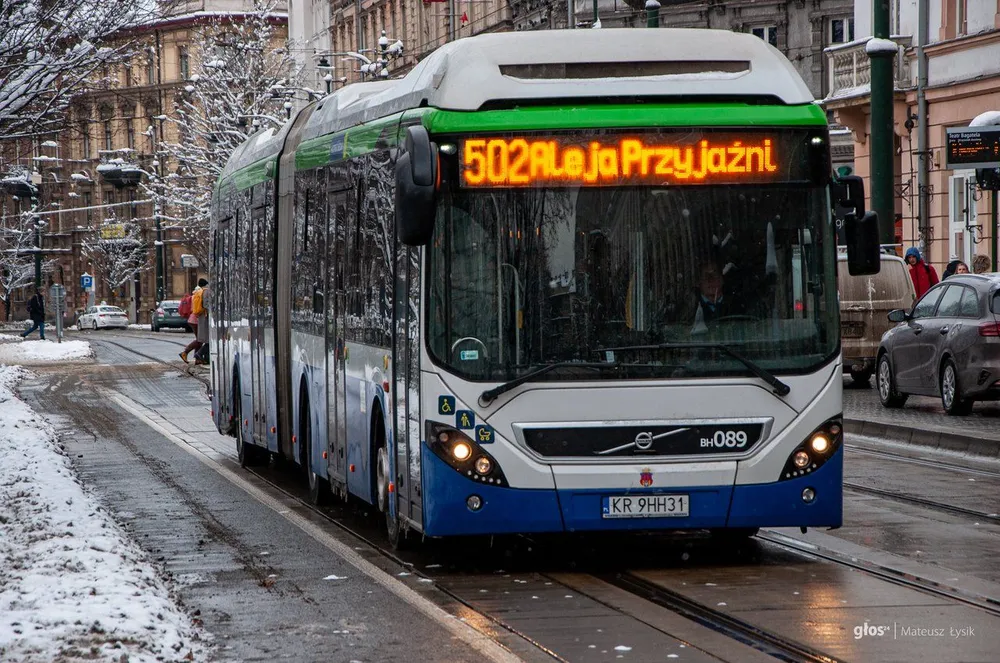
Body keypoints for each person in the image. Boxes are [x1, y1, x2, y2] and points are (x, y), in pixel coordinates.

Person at [179, 278, 208, 363]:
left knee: (200, 340)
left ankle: (198, 359)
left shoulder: (196, 293)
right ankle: (185, 352)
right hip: (197, 319)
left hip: (193, 319)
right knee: (200, 340)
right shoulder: (202, 292)